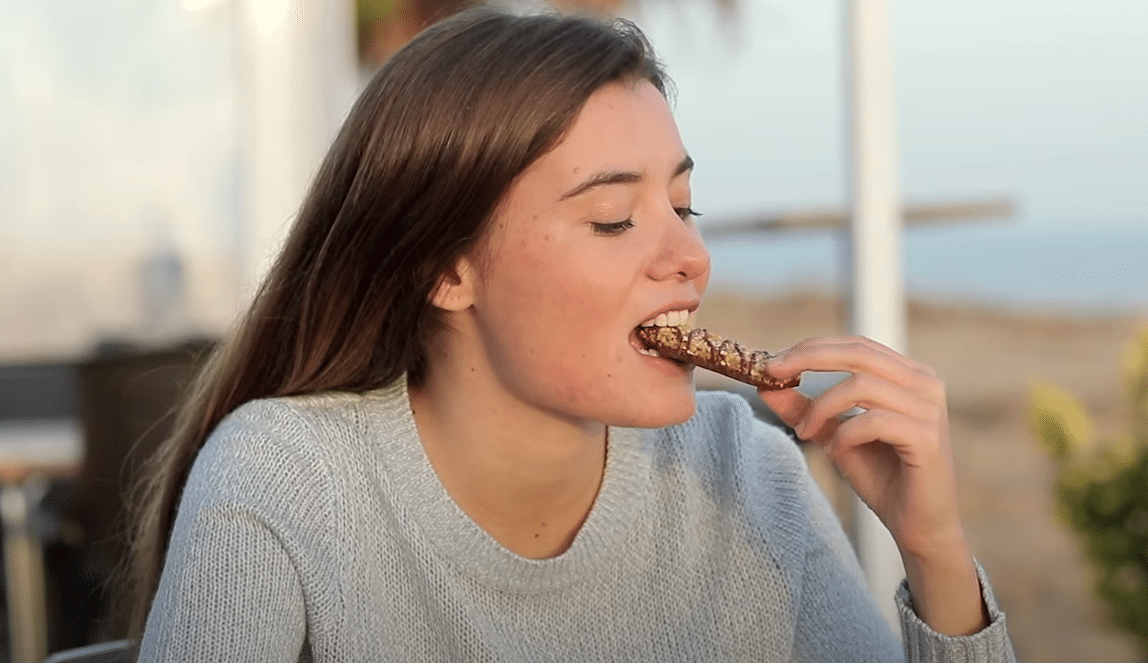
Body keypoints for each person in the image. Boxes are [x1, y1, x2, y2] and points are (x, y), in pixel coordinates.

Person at [130, 8, 1017, 662]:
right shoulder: (286, 483)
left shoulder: (747, 475)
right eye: (611, 219)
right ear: (446, 269)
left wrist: (935, 552)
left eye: (683, 204)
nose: (691, 256)